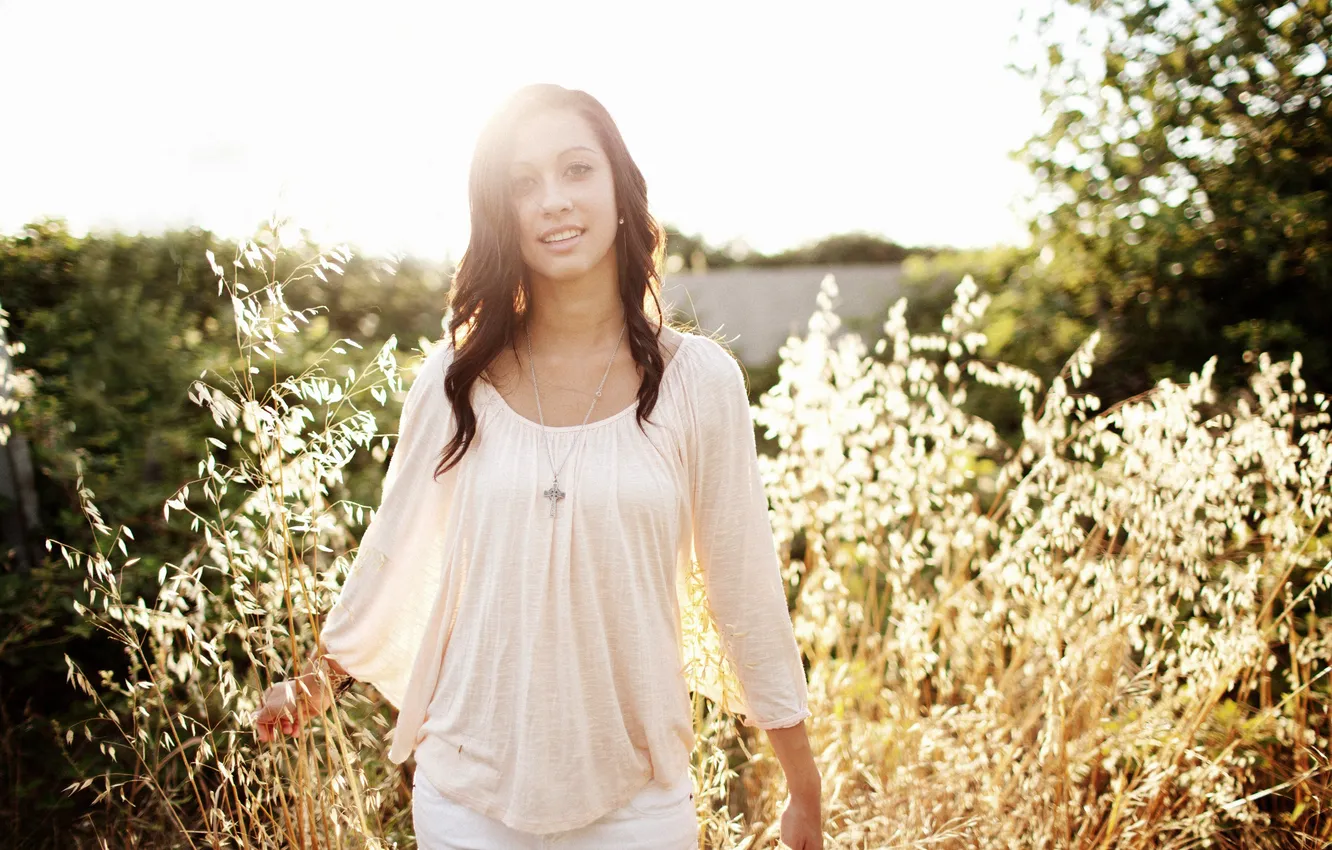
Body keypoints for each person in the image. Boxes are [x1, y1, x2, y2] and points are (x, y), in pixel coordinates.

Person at [253, 83, 823, 850]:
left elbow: (744, 587)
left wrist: (802, 786)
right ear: (502, 216)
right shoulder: (456, 378)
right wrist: (315, 683)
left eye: (577, 170)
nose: (553, 200)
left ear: (621, 192)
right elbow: (394, 553)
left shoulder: (700, 383)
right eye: (524, 184)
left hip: (637, 801)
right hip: (465, 796)